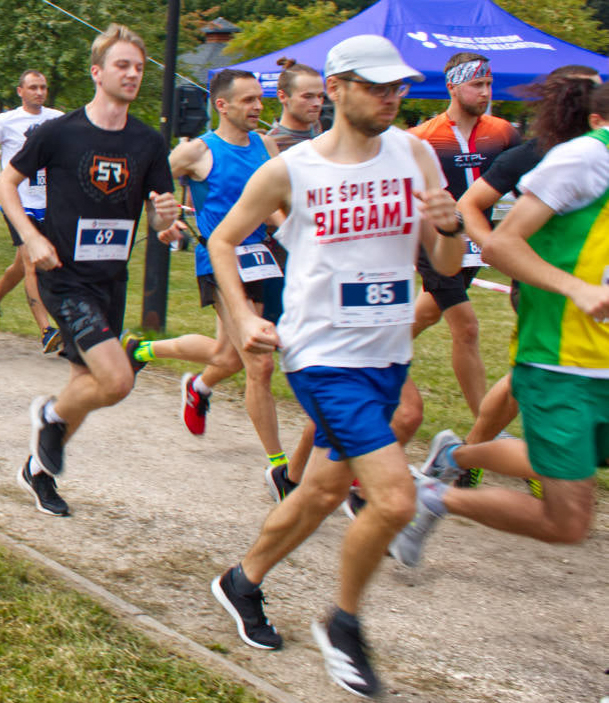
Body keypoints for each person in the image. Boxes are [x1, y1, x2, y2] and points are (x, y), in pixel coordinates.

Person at [206, 35, 462, 698]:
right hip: (322, 357)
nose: (391, 96)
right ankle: (342, 624)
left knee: (320, 490)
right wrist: (244, 317)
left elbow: (451, 263)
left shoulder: (416, 153)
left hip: (385, 352)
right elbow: (223, 239)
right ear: (340, 87)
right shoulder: (294, 170)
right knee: (396, 497)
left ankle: (242, 579)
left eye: (398, 86)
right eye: (376, 85)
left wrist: (451, 226)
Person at [390, 80, 609, 573]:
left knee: (555, 462)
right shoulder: (579, 158)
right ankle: (433, 494)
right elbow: (492, 232)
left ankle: (458, 455)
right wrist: (574, 288)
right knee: (568, 519)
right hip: (564, 357)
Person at [0, 25, 179, 517]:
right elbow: (5, 184)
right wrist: (31, 238)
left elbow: (160, 215)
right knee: (117, 380)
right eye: (122, 65)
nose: (133, 74)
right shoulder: (58, 132)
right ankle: (49, 417)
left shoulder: (148, 141)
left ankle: (38, 470)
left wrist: (166, 219)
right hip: (65, 275)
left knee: (85, 382)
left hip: (110, 279)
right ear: (97, 72)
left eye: (139, 67)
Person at [434, 66, 603, 489]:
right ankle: (492, 458)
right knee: (530, 379)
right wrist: (492, 249)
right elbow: (470, 204)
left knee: (519, 380)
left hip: (590, 289)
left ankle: (469, 454)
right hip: (548, 287)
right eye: (592, 91)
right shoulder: (539, 152)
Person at [132, 69, 290, 498]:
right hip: (219, 262)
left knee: (227, 355)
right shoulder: (199, 152)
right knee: (259, 362)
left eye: (260, 99)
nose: (258, 107)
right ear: (222, 105)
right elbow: (150, 183)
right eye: (249, 101)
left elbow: (275, 202)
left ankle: (165, 364)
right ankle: (280, 468)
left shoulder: (265, 144)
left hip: (263, 260)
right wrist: (166, 220)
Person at [405, 53, 521, 424]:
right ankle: (486, 428)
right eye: (477, 84)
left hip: (477, 243)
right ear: (452, 86)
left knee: (425, 313)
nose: (486, 92)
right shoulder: (421, 137)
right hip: (437, 243)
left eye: (488, 84)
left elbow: (526, 188)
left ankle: (371, 352)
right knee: (467, 327)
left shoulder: (503, 132)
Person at [0, 70, 64, 352]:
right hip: (17, 201)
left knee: (21, 263)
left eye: (43, 87)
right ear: (20, 91)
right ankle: (47, 330)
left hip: (48, 202)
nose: (39, 92)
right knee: (32, 262)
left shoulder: (57, 118)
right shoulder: (7, 121)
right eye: (33, 87)